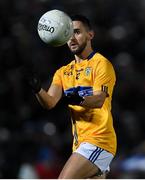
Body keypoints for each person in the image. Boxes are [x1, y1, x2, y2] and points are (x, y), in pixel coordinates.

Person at [26, 14, 117, 179]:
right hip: (80, 145)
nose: (72, 38)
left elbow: (99, 99)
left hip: (99, 140)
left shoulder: (101, 64)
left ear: (90, 35)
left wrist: (79, 99)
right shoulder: (63, 72)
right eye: (68, 34)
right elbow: (50, 102)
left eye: (77, 32)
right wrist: (38, 89)